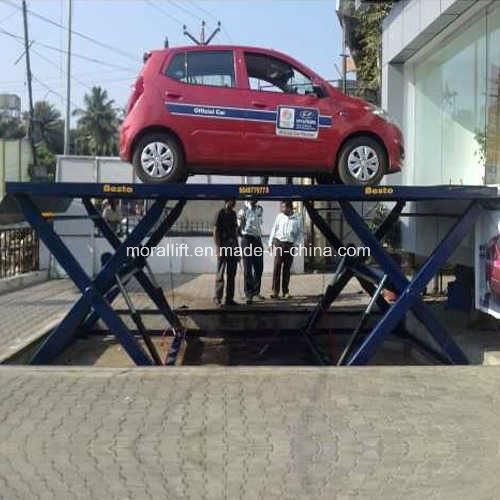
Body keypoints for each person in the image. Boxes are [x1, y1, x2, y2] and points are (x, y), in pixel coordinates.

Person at [269, 200, 303, 299]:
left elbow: (299, 233)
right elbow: (274, 229)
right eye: (281, 207)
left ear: (289, 208)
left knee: (287, 269)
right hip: (279, 243)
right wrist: (270, 242)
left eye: (284, 207)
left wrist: (295, 245)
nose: (282, 209)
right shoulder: (280, 216)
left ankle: (285, 292)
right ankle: (275, 291)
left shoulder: (297, 218)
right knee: (277, 267)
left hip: (290, 245)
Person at [213, 199, 240, 306]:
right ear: (227, 201)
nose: (234, 203)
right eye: (232, 201)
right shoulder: (220, 213)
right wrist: (218, 248)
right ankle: (217, 298)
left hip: (233, 246)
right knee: (220, 273)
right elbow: (215, 232)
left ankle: (229, 299)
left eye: (234, 201)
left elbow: (235, 233)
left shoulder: (234, 214)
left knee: (231, 274)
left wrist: (237, 250)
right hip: (223, 246)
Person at [238, 199, 264, 305]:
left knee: (259, 266)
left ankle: (256, 292)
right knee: (248, 267)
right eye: (252, 198)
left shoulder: (259, 209)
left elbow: (259, 223)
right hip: (247, 239)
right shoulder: (243, 210)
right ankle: (249, 295)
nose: (255, 200)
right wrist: (243, 237)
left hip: (257, 239)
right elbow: (238, 227)